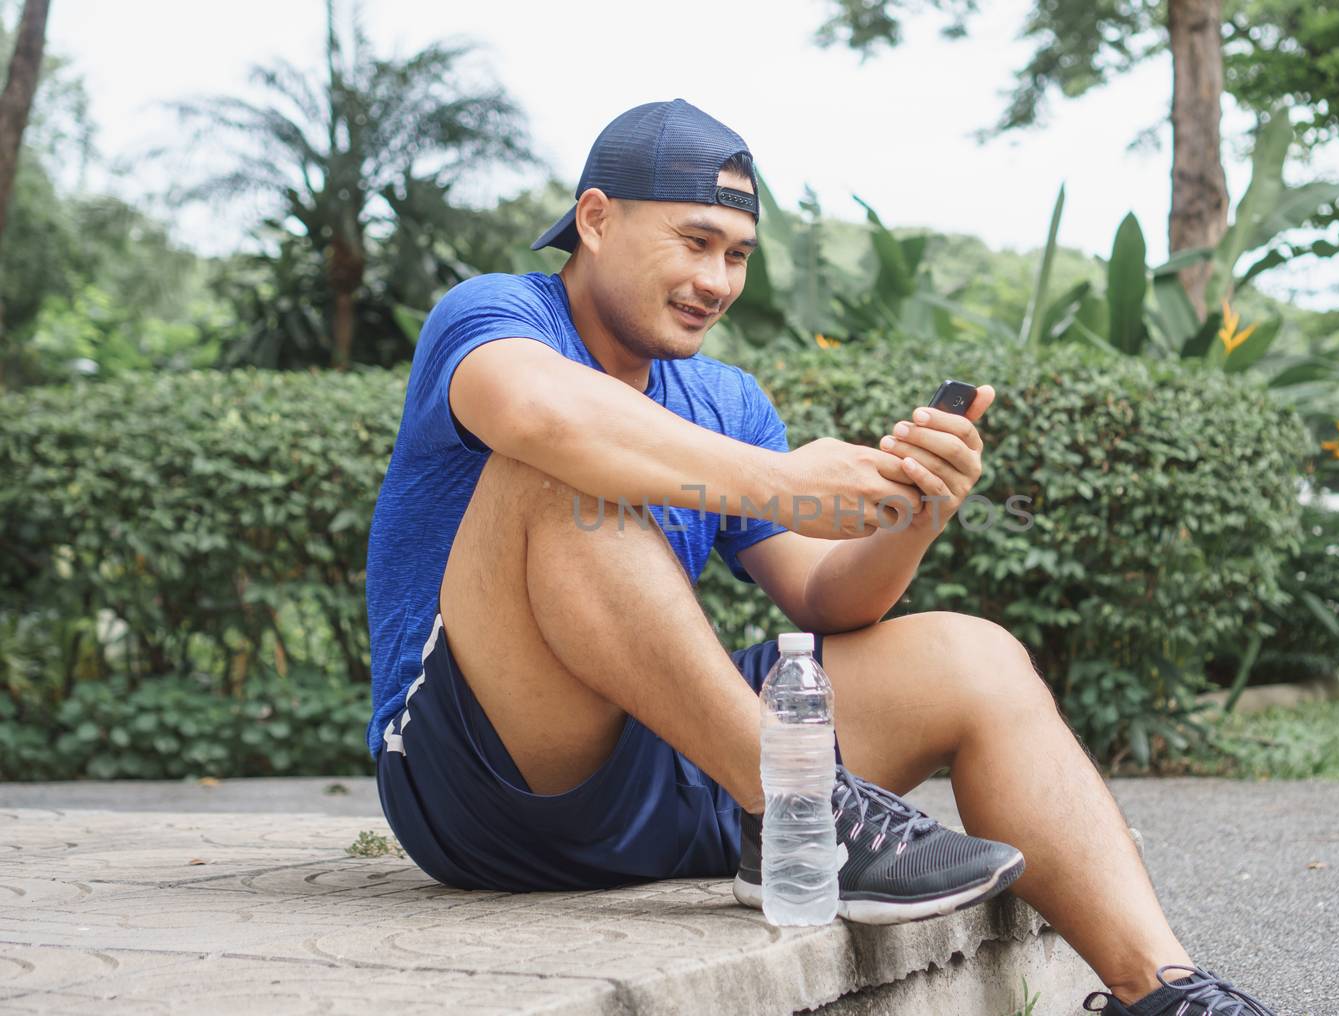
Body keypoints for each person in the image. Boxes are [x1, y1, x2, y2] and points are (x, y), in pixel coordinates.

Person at [365, 98, 1276, 1016]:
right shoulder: (490, 314)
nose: (716, 280)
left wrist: (912, 512)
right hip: (484, 784)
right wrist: (778, 481)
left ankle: (1166, 993)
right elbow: (540, 417)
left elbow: (827, 600)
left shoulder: (724, 397)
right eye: (694, 241)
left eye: (736, 255)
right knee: (551, 474)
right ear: (596, 220)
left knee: (977, 658)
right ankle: (809, 808)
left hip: (686, 769)